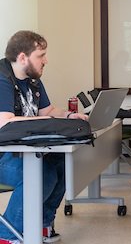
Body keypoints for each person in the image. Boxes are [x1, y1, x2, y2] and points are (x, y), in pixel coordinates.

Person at [0, 31, 88, 244]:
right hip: (3, 156)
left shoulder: (33, 81)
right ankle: (7, 236)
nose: (46, 60)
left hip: (22, 152)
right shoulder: (2, 80)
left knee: (63, 166)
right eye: (41, 55)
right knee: (43, 175)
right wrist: (45, 124)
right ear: (22, 57)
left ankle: (41, 224)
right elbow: (5, 122)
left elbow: (47, 111)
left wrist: (68, 116)